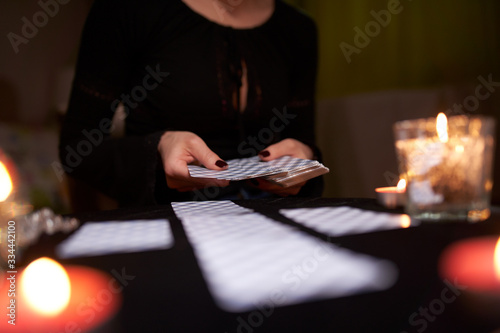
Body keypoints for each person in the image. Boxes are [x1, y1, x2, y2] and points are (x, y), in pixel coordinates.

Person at [59, 0, 323, 207]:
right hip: (164, 224)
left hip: (272, 227)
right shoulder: (126, 8)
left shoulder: (298, 29)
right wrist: (157, 147)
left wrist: (304, 161)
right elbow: (76, 151)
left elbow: (301, 140)